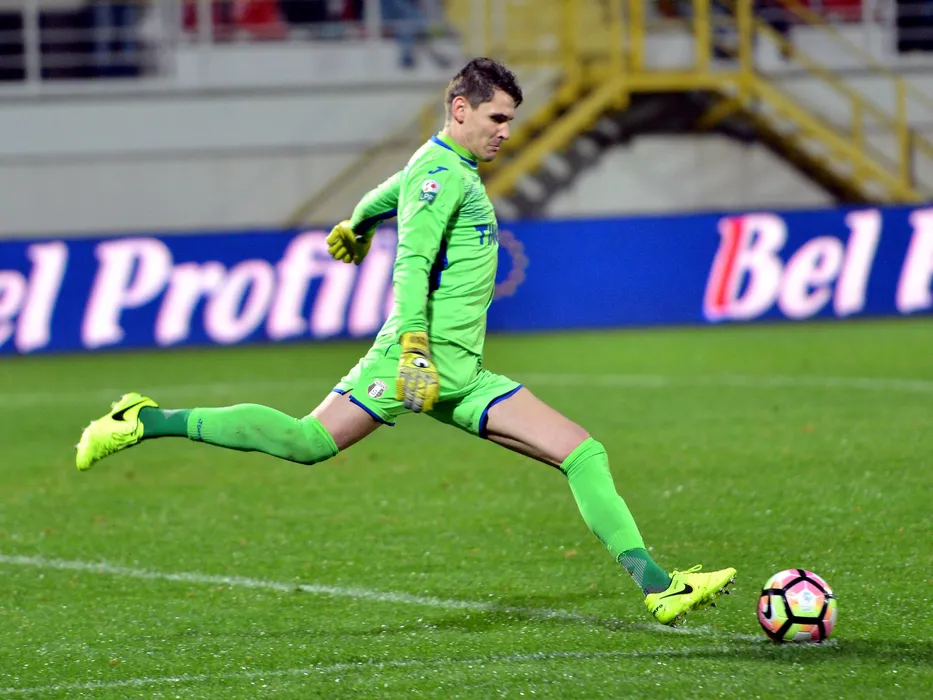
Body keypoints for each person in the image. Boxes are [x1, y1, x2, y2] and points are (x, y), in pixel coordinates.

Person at [74, 57, 736, 627]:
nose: (506, 132)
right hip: (416, 362)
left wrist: (356, 223)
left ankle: (658, 587)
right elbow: (412, 262)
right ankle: (144, 420)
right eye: (497, 118)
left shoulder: (438, 164)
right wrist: (414, 345)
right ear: (460, 109)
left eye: (510, 120)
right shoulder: (443, 175)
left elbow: (388, 191)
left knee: (580, 452)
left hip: (457, 372)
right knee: (309, 441)